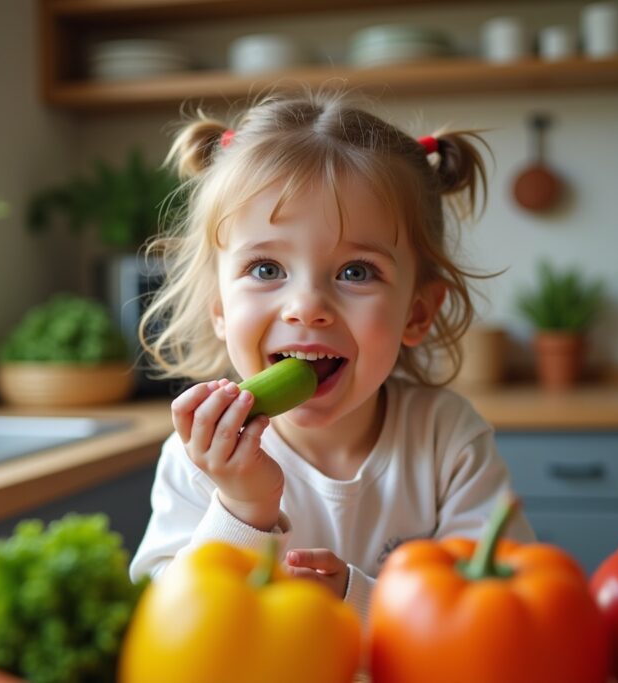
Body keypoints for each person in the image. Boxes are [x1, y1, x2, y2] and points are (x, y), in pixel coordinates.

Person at [130, 89, 534, 621]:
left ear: (416, 313)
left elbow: (496, 615)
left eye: (356, 272)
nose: (307, 308)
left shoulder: (446, 441)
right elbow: (166, 625)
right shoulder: (199, 458)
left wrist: (355, 599)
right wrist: (241, 509)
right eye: (266, 269)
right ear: (220, 308)